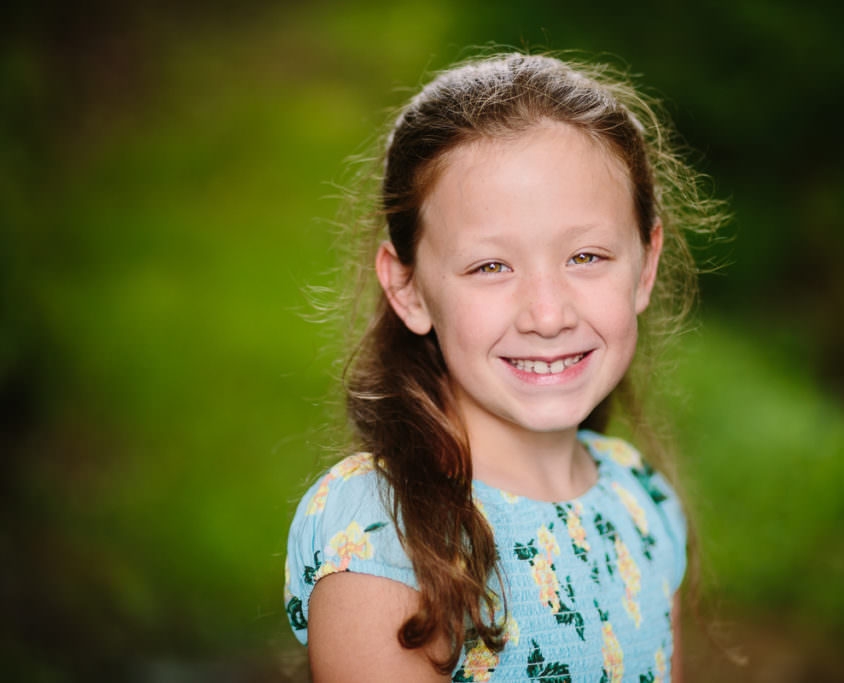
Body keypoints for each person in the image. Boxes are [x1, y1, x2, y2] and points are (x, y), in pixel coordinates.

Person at [284, 51, 724, 682]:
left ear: (645, 267)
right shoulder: (381, 533)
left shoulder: (642, 501)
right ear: (408, 289)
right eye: (491, 266)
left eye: (587, 256)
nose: (547, 315)